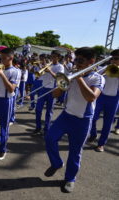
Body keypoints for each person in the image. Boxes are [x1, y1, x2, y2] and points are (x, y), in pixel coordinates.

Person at [45, 47, 105, 193]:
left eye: (81, 60)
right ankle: (57, 163)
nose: (76, 63)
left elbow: (91, 97)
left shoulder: (98, 78)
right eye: (75, 60)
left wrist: (78, 78)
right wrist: (62, 82)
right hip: (66, 115)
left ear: (92, 61)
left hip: (83, 120)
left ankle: (70, 178)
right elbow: (56, 94)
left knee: (75, 151)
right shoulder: (71, 74)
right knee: (49, 138)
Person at [88, 49, 119, 152]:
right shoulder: (106, 68)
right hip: (101, 97)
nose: (114, 61)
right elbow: (95, 76)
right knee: (92, 118)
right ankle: (93, 134)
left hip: (114, 99)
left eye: (117, 59)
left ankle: (101, 144)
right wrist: (104, 71)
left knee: (107, 123)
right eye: (112, 59)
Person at [34, 50, 64, 135]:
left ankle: (46, 129)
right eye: (51, 56)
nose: (52, 58)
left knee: (49, 111)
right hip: (43, 88)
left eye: (54, 56)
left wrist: (50, 71)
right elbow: (40, 76)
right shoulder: (47, 65)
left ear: (58, 57)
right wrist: (41, 69)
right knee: (38, 109)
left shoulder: (60, 67)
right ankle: (38, 127)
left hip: (52, 90)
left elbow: (58, 78)